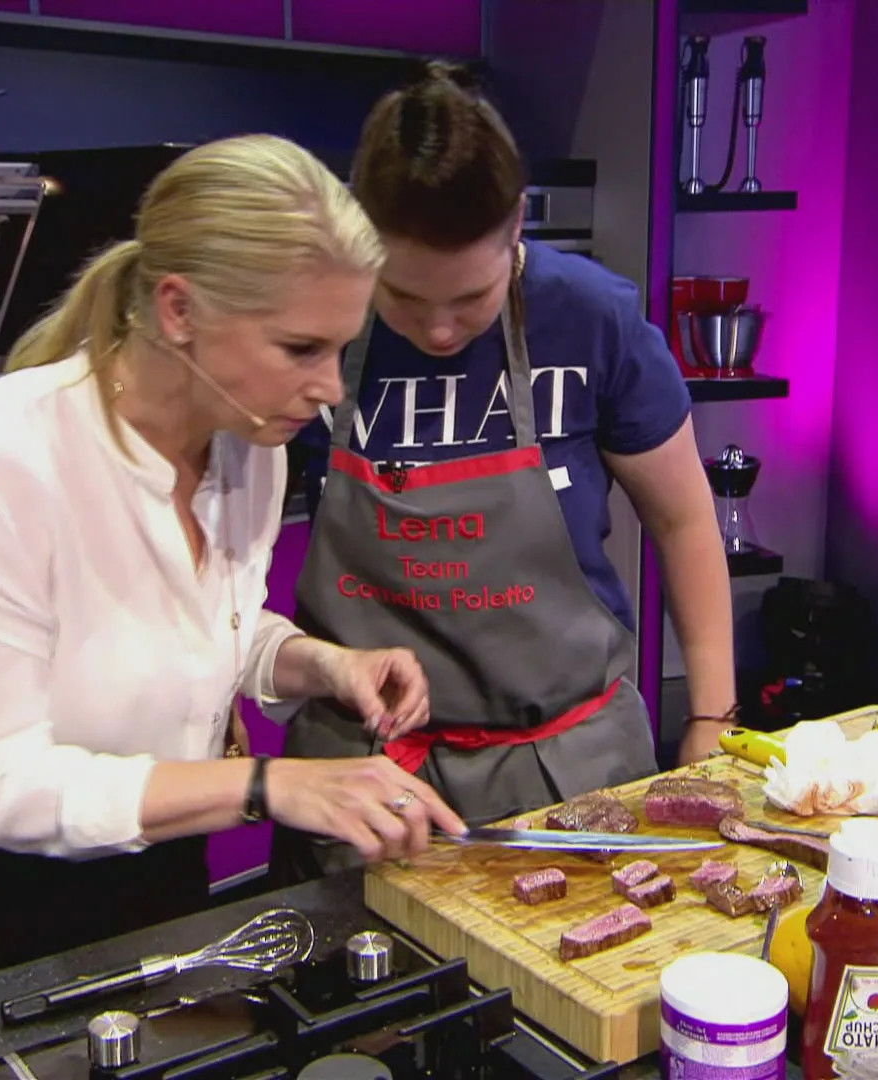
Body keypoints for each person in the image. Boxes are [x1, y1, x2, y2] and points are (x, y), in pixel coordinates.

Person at [0, 134, 464, 1012]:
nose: (331, 387)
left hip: (159, 836)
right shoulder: (4, 455)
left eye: (341, 349)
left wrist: (324, 664)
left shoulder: (251, 445)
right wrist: (268, 785)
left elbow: (213, 628)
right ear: (178, 310)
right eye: (300, 348)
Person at [275, 66, 736, 874]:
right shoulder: (312, 326)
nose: (440, 330)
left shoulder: (590, 319)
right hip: (366, 782)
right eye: (404, 296)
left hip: (570, 770)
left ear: (518, 223)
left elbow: (683, 518)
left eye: (471, 297)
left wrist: (712, 717)